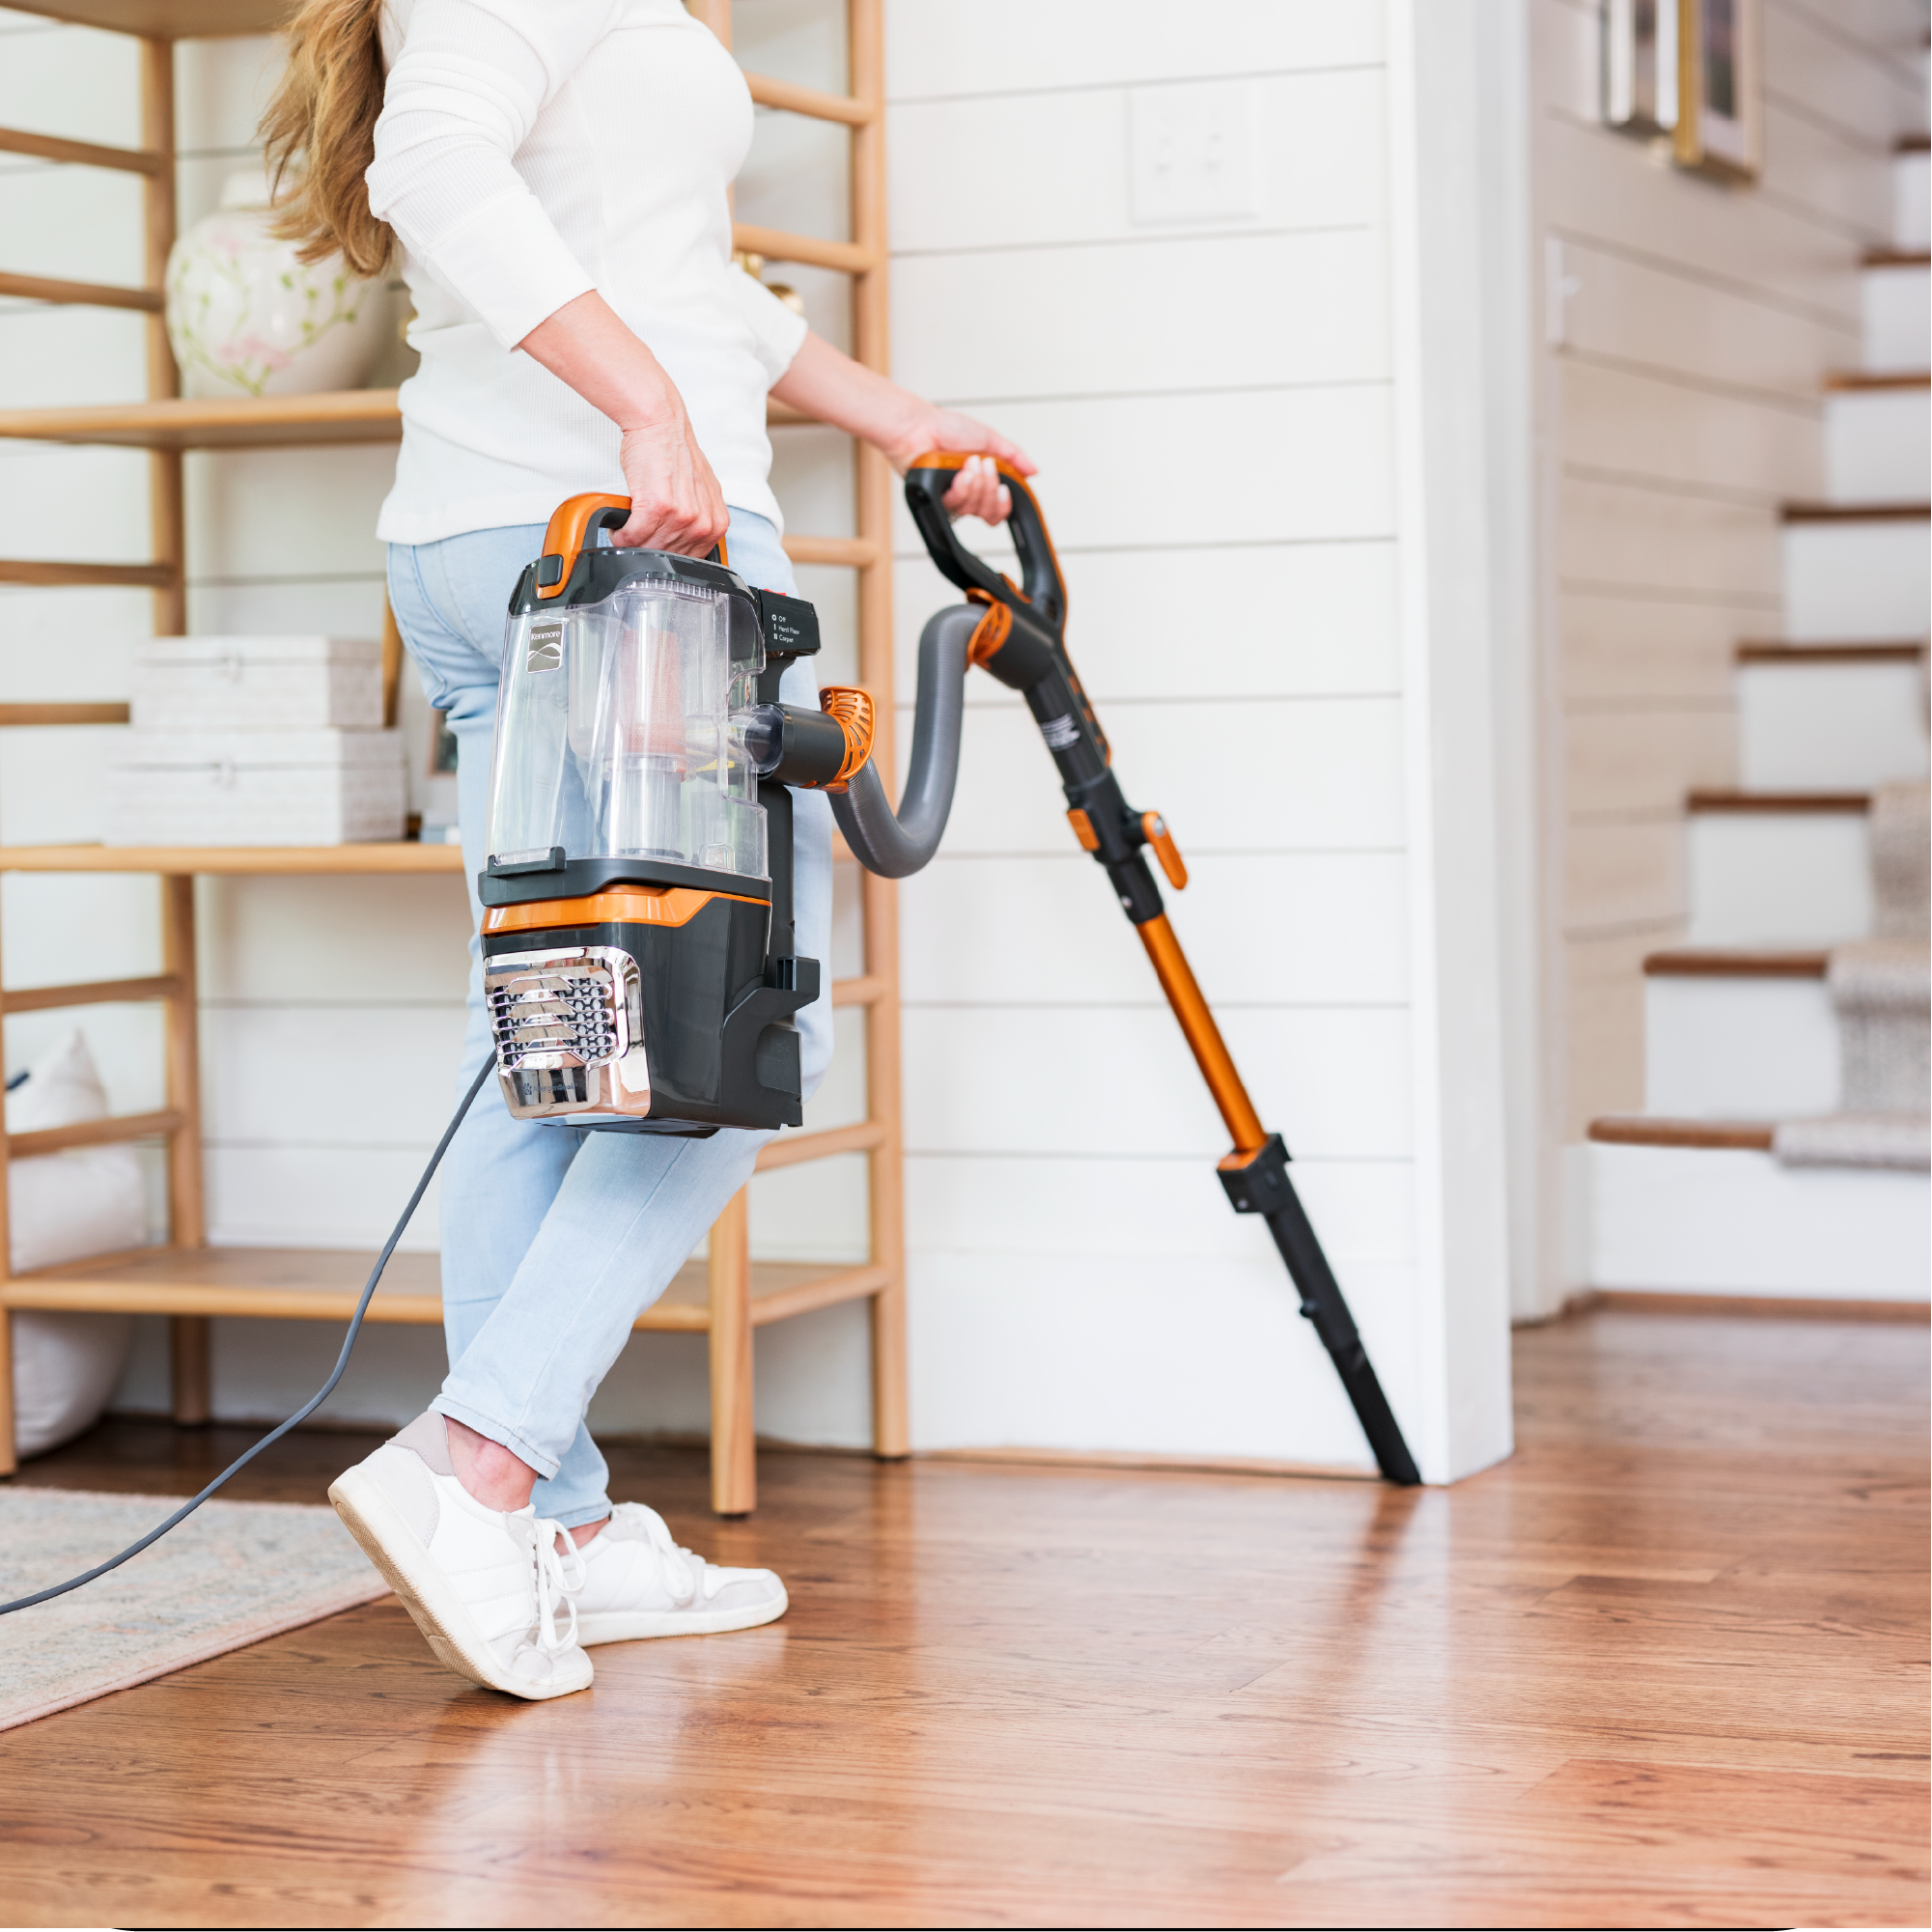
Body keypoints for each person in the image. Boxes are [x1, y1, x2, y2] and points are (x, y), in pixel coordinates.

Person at [261, 0, 1032, 1700]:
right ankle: (483, 1465)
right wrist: (651, 416)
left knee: (548, 1037)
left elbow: (691, 282)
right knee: (737, 1031)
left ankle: (567, 1530)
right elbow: (435, 163)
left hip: (496, 537)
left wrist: (909, 424)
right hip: (629, 541)